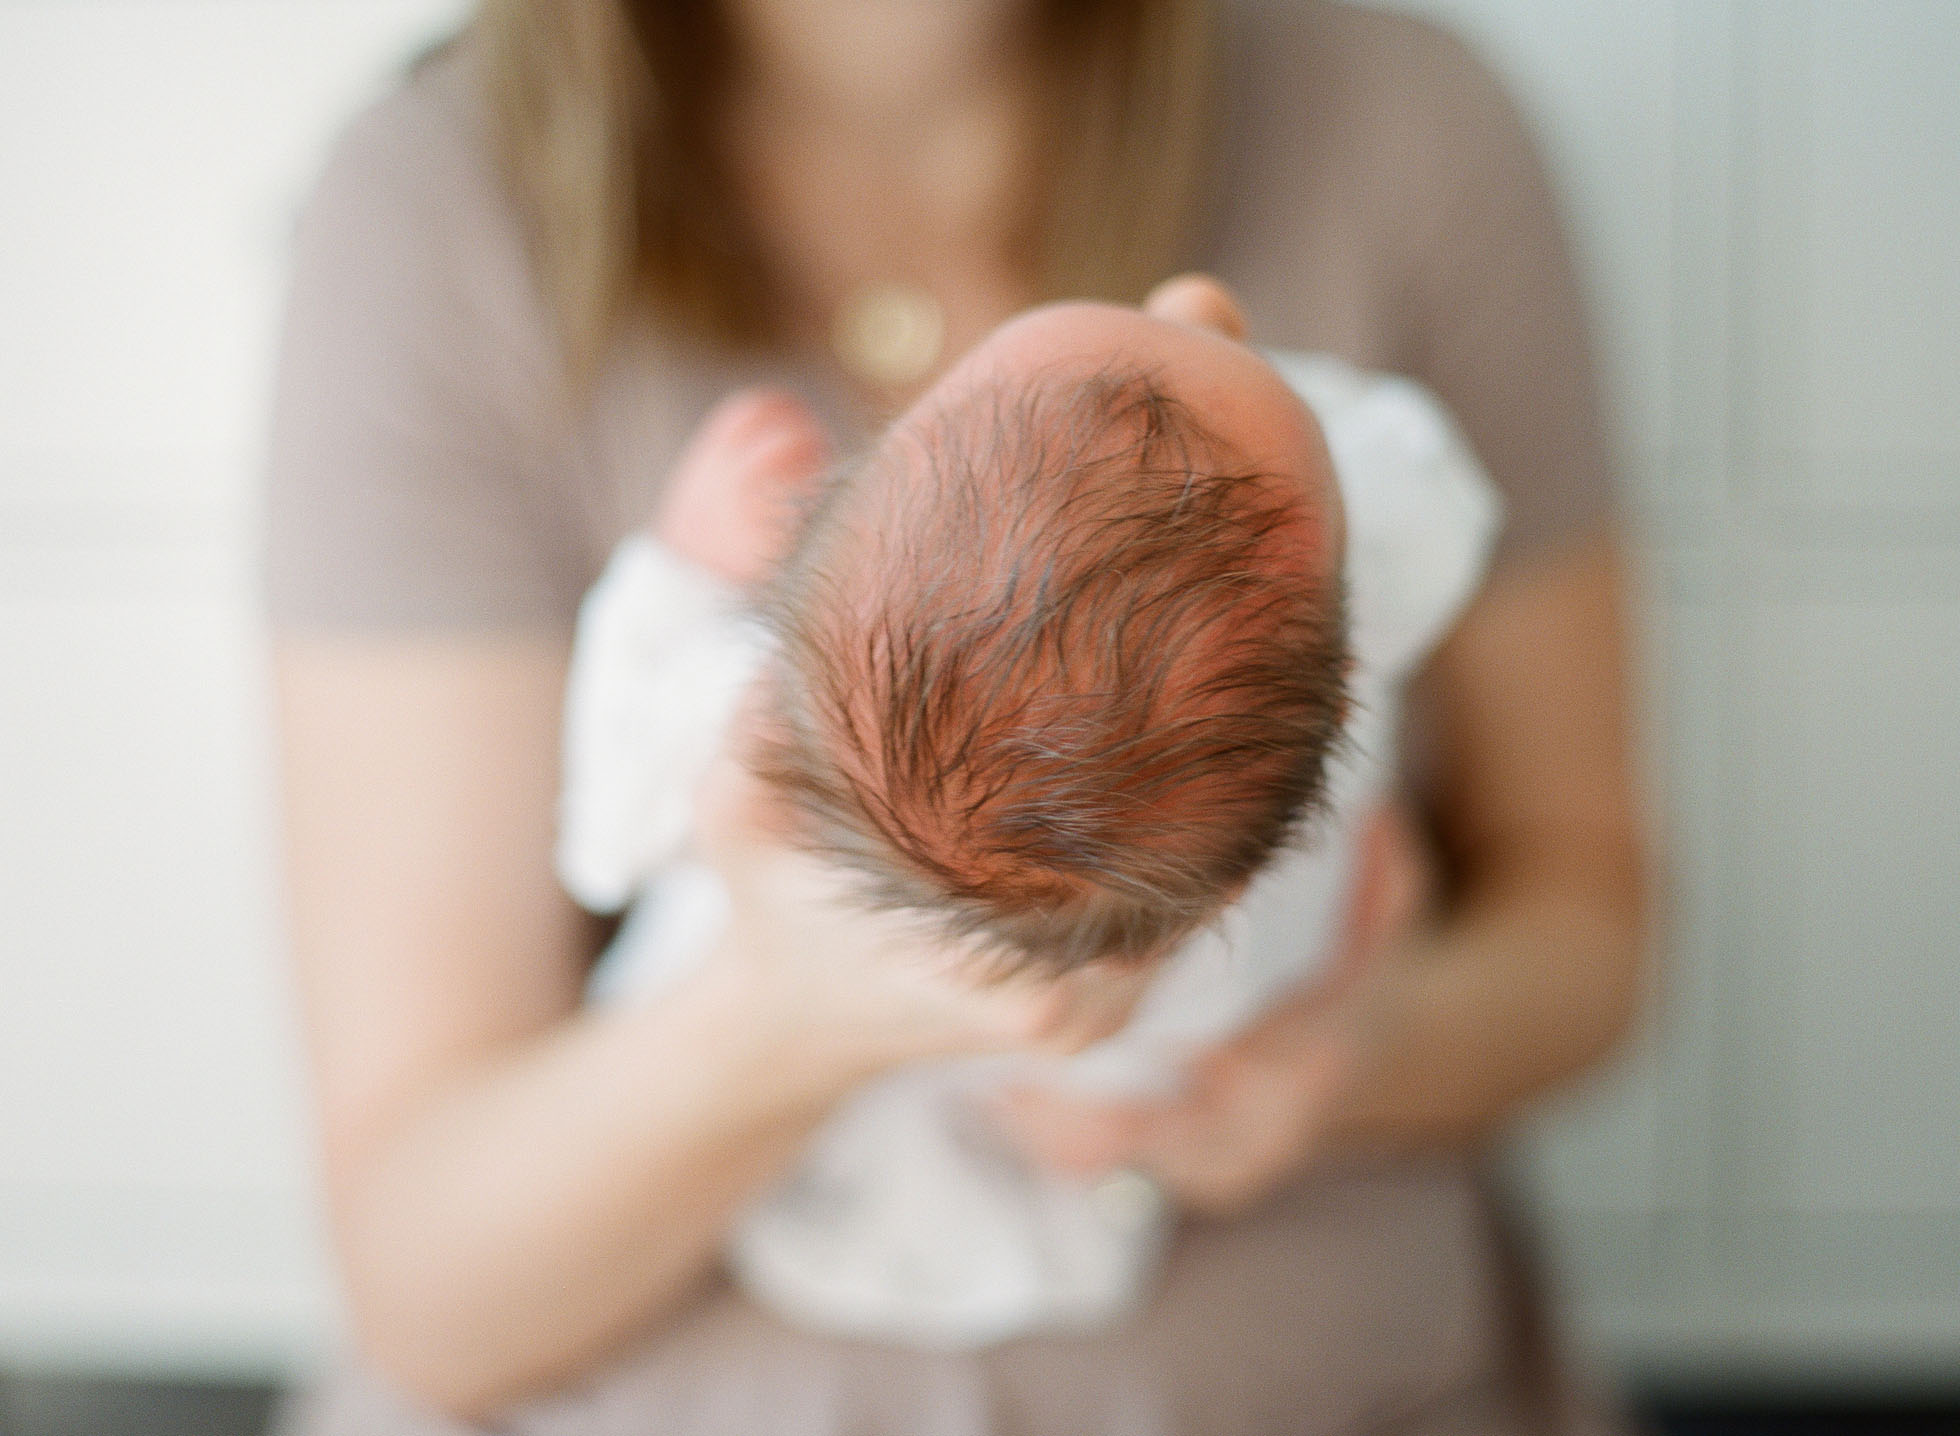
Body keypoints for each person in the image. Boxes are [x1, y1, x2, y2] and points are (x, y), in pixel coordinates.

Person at [265, 0, 1647, 1430]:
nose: (1195, 311)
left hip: (1319, 1363)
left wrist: (1341, 1051)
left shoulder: (1402, 118)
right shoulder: (434, 208)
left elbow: (1591, 927)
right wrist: (785, 1008)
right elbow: (429, 1287)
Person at [556, 296, 1499, 1350]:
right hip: (1141, 1085)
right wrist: (1254, 382)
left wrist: (680, 570)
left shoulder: (747, 707)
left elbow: (607, 833)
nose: (1192, 301)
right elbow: (1427, 489)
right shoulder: (1354, 598)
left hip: (912, 1133)